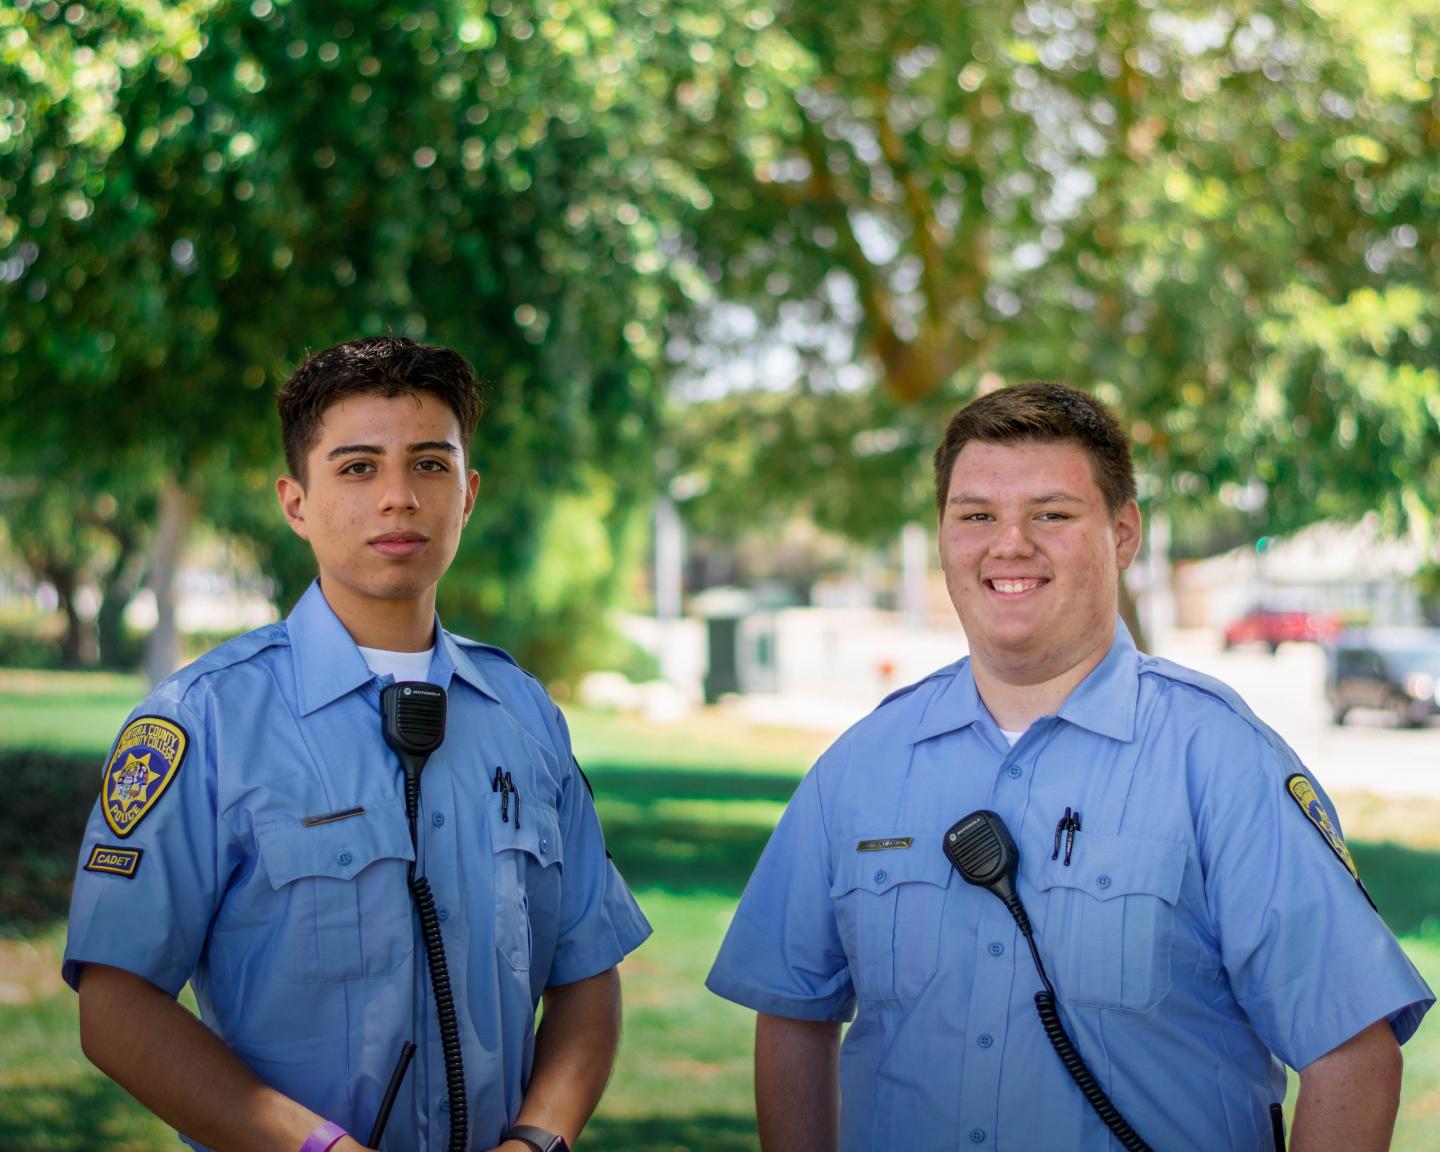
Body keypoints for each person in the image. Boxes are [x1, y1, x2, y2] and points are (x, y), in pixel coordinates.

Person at [707, 381, 1433, 1151]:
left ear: (1123, 535)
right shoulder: (860, 766)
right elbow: (792, 1012)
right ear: (944, 533)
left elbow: (1351, 1051)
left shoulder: (1220, 760)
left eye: (1051, 514)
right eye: (977, 515)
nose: (1009, 544)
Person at [64, 335, 651, 1152]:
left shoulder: (526, 714)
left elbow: (587, 972)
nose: (399, 498)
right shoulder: (204, 723)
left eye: (430, 464)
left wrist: (537, 1142)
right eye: (357, 467)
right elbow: (115, 1006)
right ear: (295, 502)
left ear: (469, 493)